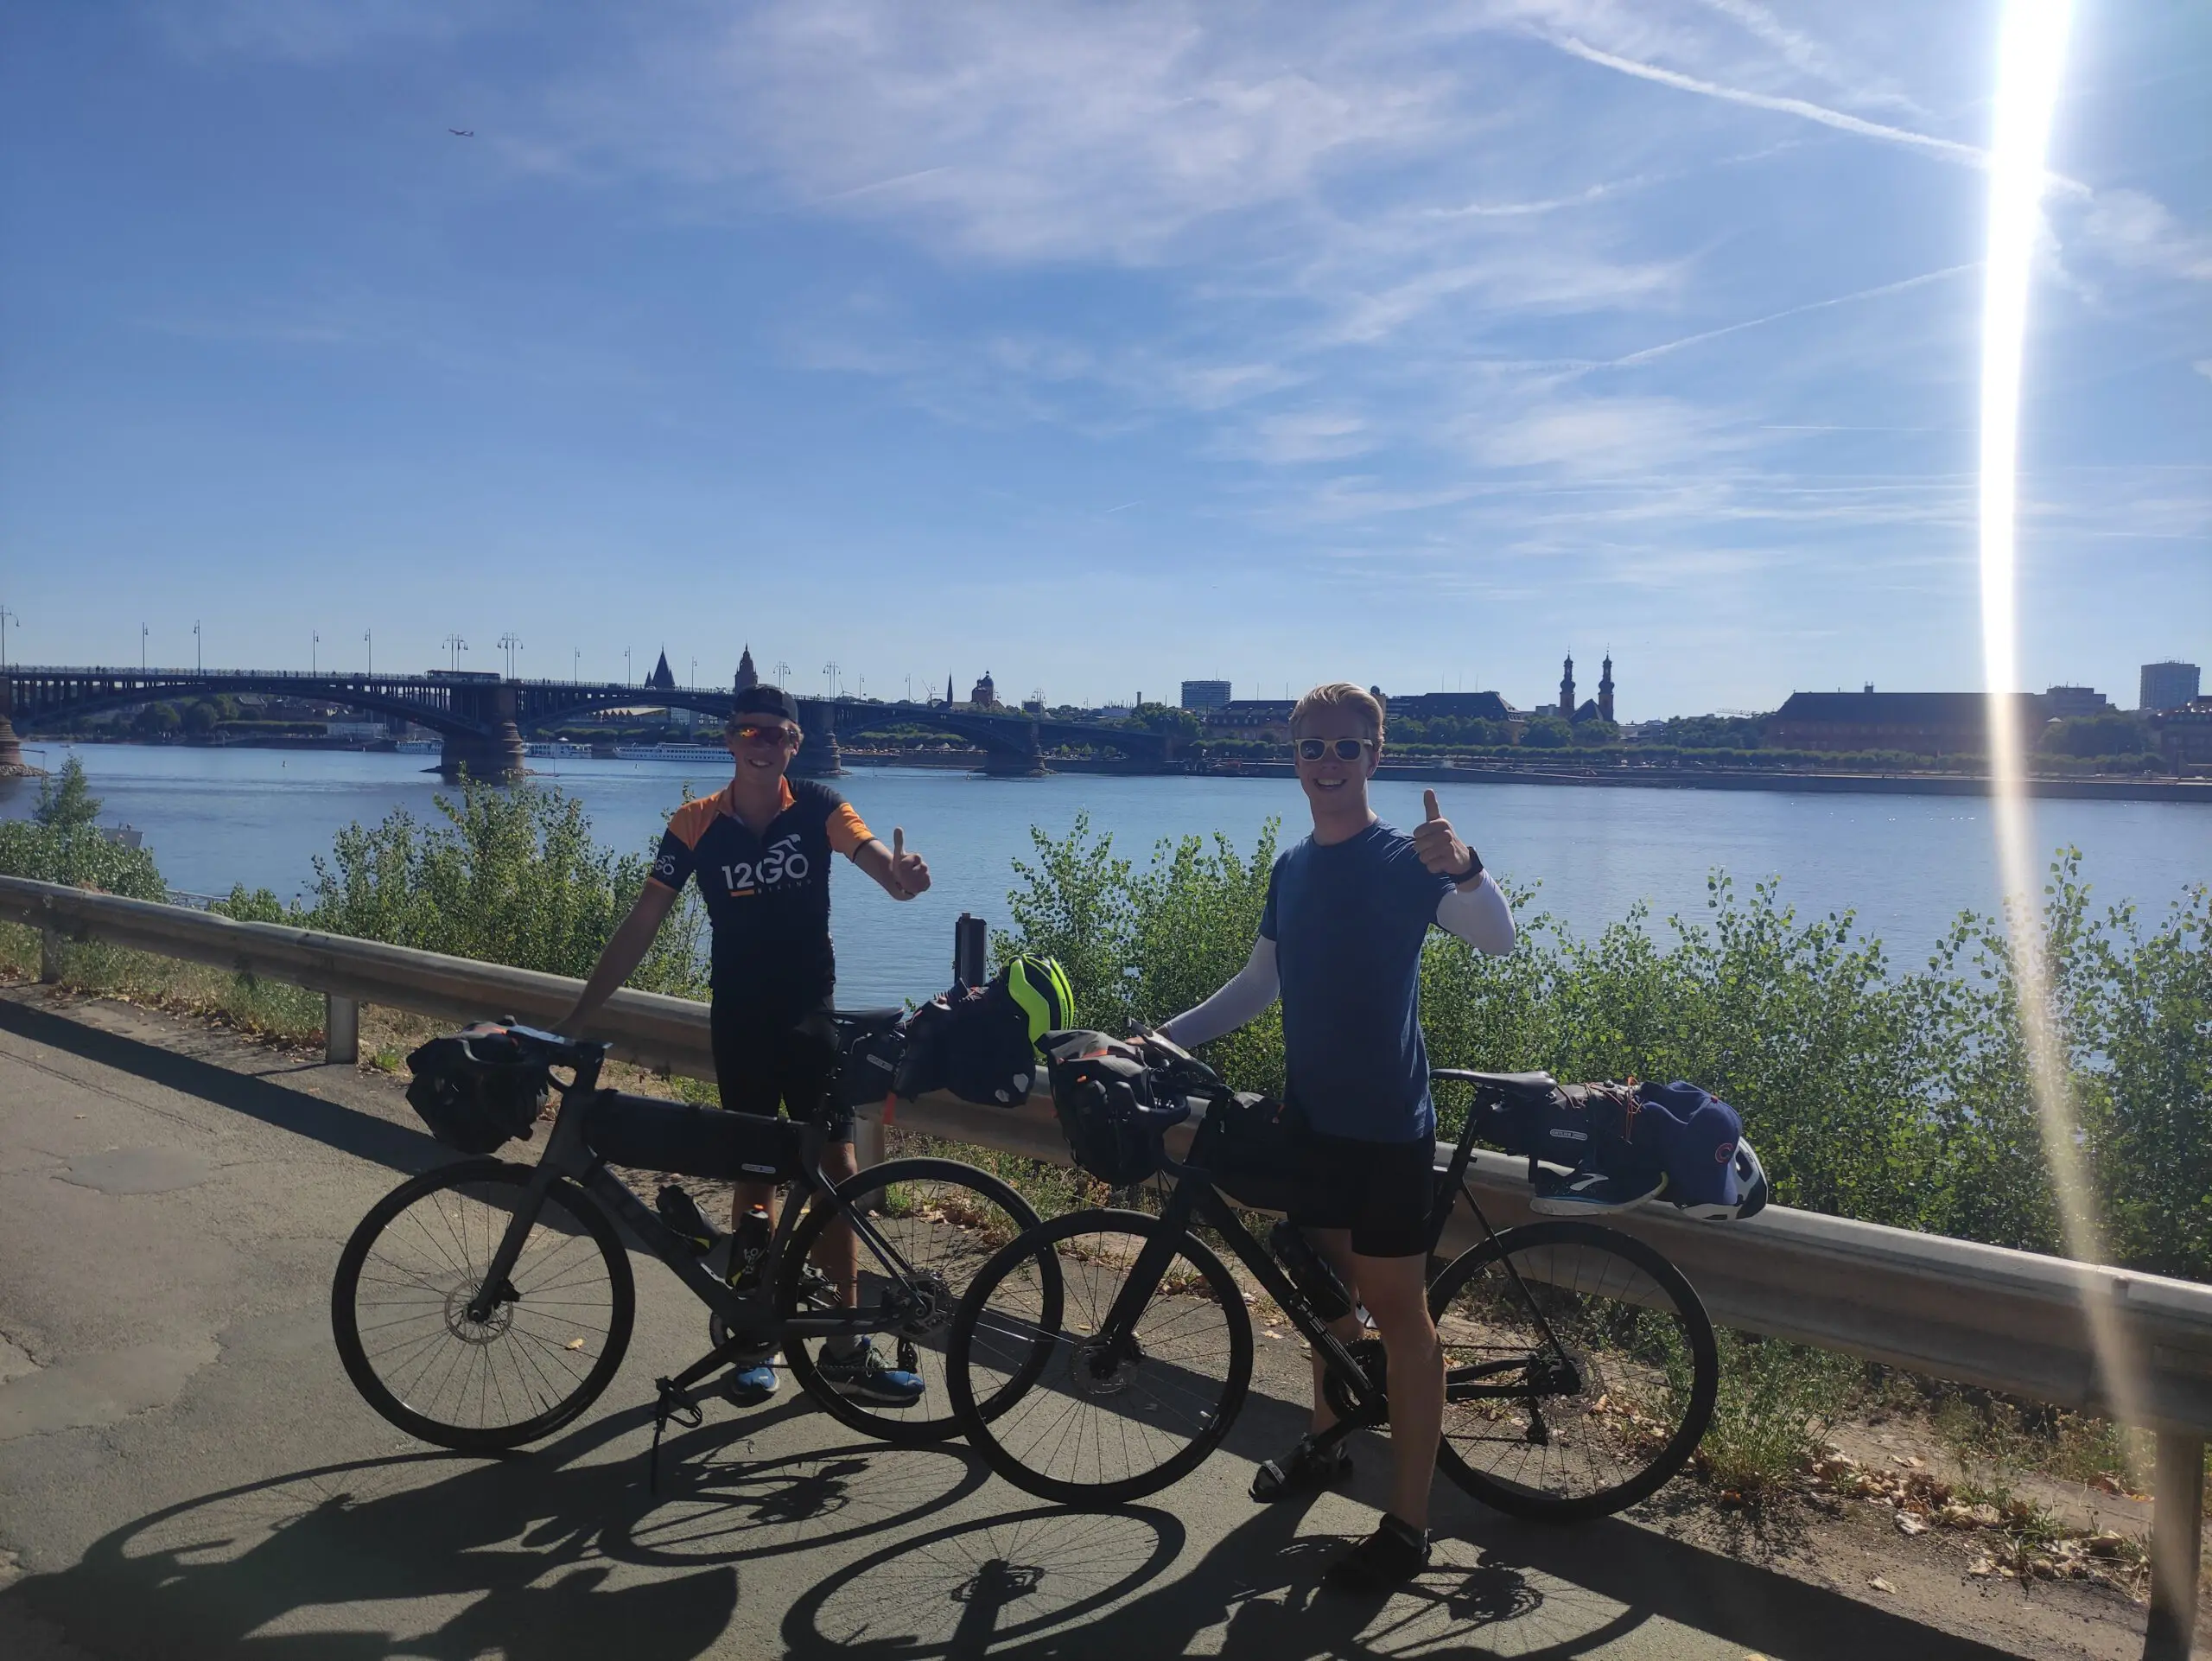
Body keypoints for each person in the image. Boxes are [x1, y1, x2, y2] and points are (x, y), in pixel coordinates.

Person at [1154, 681, 1516, 1593]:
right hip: (1311, 1121)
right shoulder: (1293, 867)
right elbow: (1255, 985)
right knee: (1323, 1301)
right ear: (1295, 756)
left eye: (1344, 748)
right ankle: (1324, 1444)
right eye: (1311, 747)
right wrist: (1156, 1039)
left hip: (1389, 1129)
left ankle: (1408, 1523)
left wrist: (1468, 867)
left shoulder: (1404, 858)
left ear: (1374, 756)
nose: (1325, 763)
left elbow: (1497, 940)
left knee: (1401, 1321)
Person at [559, 683, 934, 1406]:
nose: (761, 744)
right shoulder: (696, 823)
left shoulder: (822, 807)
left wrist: (903, 880)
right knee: (754, 1174)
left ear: (794, 745)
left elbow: (879, 868)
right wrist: (582, 1011)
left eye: (777, 734)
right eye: (748, 732)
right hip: (739, 1019)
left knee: (833, 1166)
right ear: (729, 741)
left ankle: (845, 1347)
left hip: (807, 1014)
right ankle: (752, 1340)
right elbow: (643, 922)